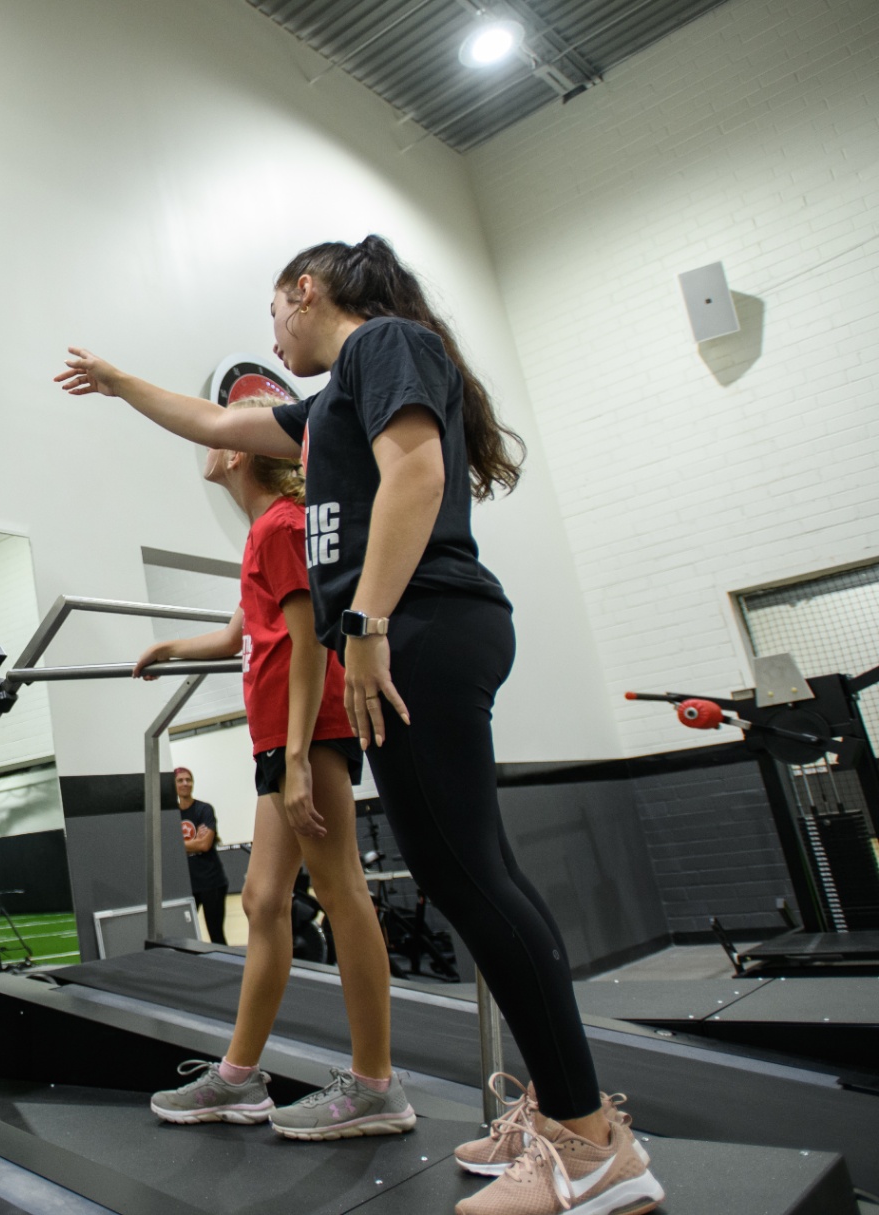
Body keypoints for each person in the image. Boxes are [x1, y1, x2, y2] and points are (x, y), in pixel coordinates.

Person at [57, 235, 657, 1215]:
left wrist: (367, 625)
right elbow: (216, 419)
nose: (275, 333)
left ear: (304, 292)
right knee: (478, 876)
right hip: (414, 626)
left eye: (274, 312)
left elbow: (416, 473)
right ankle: (568, 1116)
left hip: (420, 624)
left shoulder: (382, 345)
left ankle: (587, 1147)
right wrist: (121, 381)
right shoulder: (331, 400)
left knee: (469, 880)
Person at [131, 408, 409, 1141]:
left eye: (222, 435)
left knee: (340, 888)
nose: (209, 443)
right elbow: (239, 635)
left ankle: (377, 1083)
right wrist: (169, 648)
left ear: (239, 456)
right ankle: (239, 1076)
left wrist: (291, 758)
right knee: (260, 898)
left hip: (305, 733)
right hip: (278, 737)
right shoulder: (267, 530)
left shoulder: (284, 524)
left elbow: (312, 640)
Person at [172, 768, 229, 946]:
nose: (185, 784)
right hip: (188, 884)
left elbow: (204, 845)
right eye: (180, 780)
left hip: (212, 883)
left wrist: (177, 844)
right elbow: (166, 847)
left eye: (188, 780)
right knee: (185, 935)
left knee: (216, 934)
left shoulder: (204, 809)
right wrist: (191, 842)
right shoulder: (171, 815)